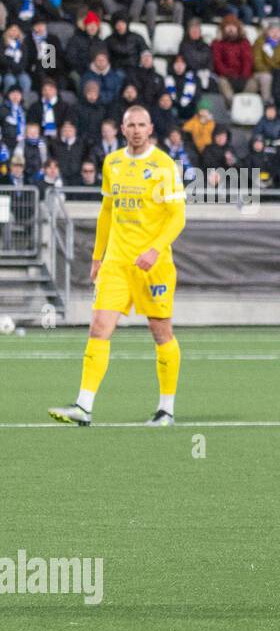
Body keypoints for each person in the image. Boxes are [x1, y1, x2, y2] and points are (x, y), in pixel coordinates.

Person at [49, 106, 186, 427]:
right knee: (98, 327)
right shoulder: (112, 163)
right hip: (117, 263)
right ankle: (84, 406)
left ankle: (166, 409)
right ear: (122, 130)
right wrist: (97, 258)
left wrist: (154, 249)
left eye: (142, 124)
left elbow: (177, 216)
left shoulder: (164, 165)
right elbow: (107, 212)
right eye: (131, 125)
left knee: (160, 332)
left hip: (154, 266)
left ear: (150, 127)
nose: (137, 130)